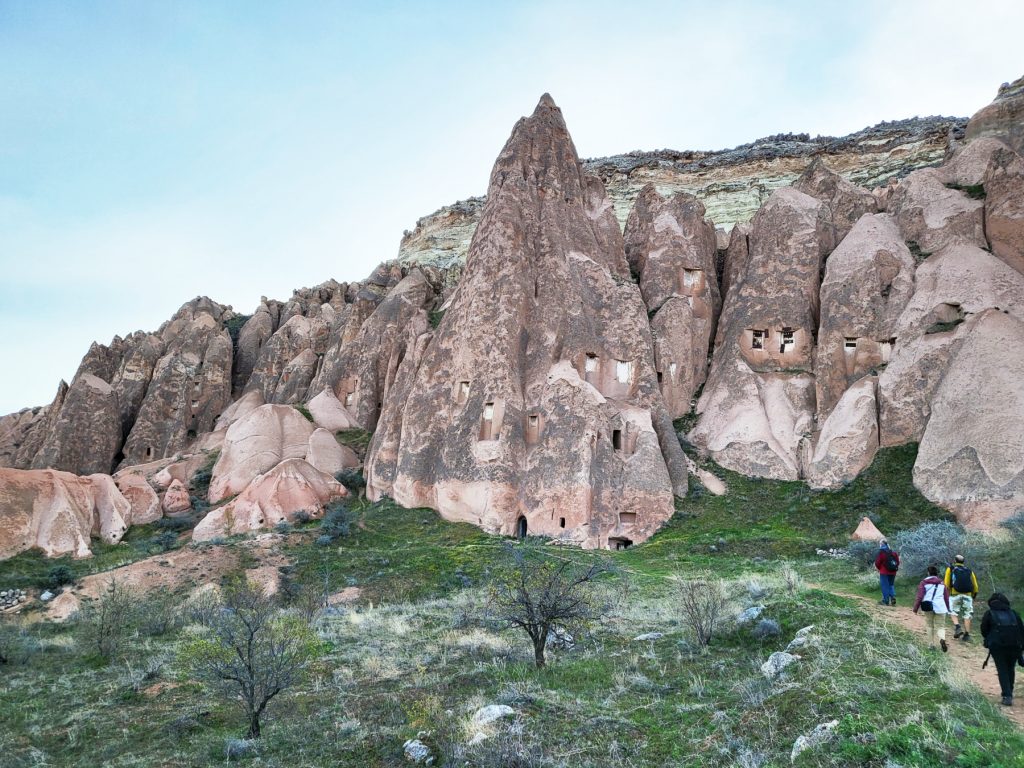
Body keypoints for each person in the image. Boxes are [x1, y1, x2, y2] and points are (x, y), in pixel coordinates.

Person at [980, 593, 1024, 706]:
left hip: (997, 647)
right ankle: (1010, 691)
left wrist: (989, 640)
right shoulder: (1014, 613)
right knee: (1011, 668)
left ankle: (1007, 695)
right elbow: (1021, 630)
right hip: (1015, 646)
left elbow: (984, 630)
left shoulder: (989, 614)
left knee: (1002, 669)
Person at [912, 565, 951, 652]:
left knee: (929, 625)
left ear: (928, 573)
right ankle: (942, 639)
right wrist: (948, 608)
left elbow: (920, 596)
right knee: (941, 626)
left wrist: (915, 608)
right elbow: (946, 597)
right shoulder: (942, 583)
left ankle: (931, 644)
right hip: (940, 607)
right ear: (937, 573)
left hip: (928, 606)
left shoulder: (924, 583)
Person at [944, 554, 979, 642]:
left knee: (952, 611)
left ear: (955, 561)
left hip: (955, 594)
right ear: (963, 562)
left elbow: (947, 584)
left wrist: (947, 593)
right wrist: (974, 594)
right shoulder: (969, 571)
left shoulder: (951, 569)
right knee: (967, 614)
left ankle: (957, 626)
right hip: (967, 595)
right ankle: (967, 635)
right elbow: (975, 585)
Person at [874, 539, 900, 606]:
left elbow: (877, 562)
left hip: (884, 572)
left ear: (881, 545)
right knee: (891, 585)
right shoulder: (893, 553)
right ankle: (893, 597)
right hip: (893, 572)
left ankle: (885, 601)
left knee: (885, 586)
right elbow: (897, 562)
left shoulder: (881, 552)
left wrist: (879, 568)